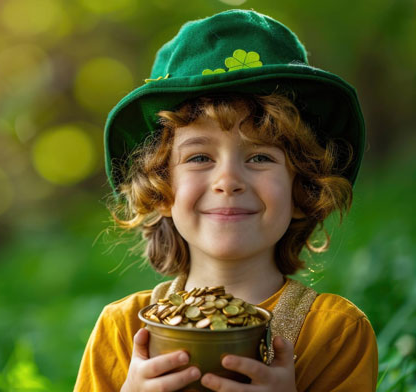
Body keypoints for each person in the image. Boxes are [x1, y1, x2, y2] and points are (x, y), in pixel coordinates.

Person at [74, 9, 378, 392]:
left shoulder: (335, 333)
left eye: (260, 157)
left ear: (303, 190)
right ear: (162, 190)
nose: (229, 180)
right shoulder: (121, 330)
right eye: (199, 157)